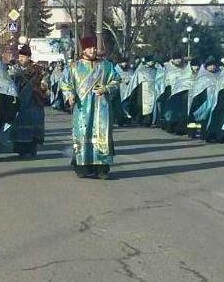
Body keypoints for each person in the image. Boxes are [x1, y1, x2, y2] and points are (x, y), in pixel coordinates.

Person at [61, 36, 121, 179]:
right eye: (90, 48)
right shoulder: (74, 67)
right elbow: (65, 83)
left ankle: (102, 169)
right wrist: (69, 95)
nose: (93, 50)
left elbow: (117, 80)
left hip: (102, 108)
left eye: (94, 47)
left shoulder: (106, 66)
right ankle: (83, 167)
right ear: (84, 50)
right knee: (83, 135)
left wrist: (106, 88)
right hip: (82, 108)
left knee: (102, 136)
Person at [7, 44, 46, 157]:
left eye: (24, 57)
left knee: (32, 125)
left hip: (33, 102)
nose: (21, 59)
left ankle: (31, 149)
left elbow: (44, 85)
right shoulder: (14, 69)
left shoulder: (37, 70)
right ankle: (20, 149)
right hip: (19, 102)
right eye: (20, 57)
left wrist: (39, 88)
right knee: (19, 125)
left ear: (29, 58)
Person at [188, 57, 219, 140]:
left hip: (214, 101)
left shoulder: (219, 75)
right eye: (210, 65)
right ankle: (196, 133)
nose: (212, 67)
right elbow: (198, 90)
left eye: (214, 65)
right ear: (206, 66)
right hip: (203, 101)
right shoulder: (202, 77)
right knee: (202, 118)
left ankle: (210, 135)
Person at [123, 56, 157, 127]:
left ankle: (149, 121)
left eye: (152, 61)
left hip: (152, 91)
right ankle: (141, 120)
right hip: (142, 91)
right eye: (150, 61)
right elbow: (134, 82)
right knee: (141, 106)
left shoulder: (156, 70)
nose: (152, 63)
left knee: (152, 106)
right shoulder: (140, 71)